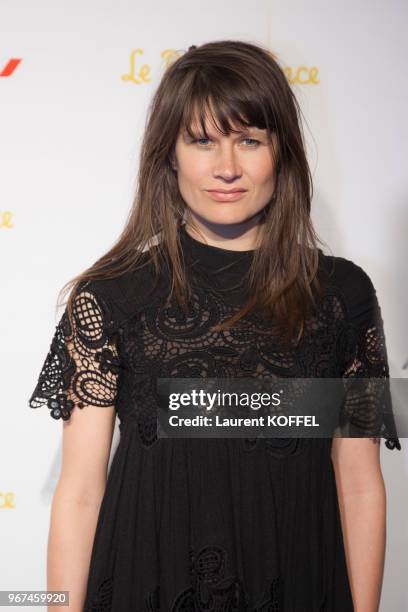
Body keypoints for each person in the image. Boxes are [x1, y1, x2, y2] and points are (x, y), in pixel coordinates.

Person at [29, 40, 401, 611]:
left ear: (282, 153)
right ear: (170, 155)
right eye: (202, 142)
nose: (227, 167)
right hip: (142, 584)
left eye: (250, 141)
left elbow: (359, 483)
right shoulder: (111, 294)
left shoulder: (342, 296)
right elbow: (79, 491)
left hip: (300, 582)